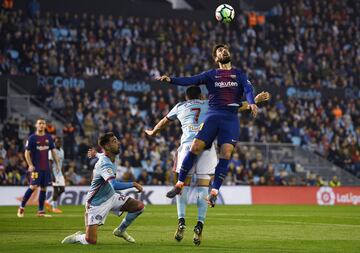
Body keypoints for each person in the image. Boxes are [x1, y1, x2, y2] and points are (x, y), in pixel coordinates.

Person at [145, 86, 270, 245]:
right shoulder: (211, 104)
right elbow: (236, 106)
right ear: (201, 95)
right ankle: (199, 226)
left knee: (182, 185)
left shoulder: (180, 106)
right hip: (207, 146)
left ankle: (181, 221)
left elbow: (163, 122)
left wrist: (153, 132)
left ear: (186, 97)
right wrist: (256, 100)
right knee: (203, 187)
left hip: (187, 147)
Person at [157, 43, 258, 206]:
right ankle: (179, 184)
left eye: (225, 49)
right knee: (195, 147)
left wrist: (252, 103)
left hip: (230, 118)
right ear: (216, 58)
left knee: (226, 153)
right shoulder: (211, 74)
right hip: (213, 115)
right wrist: (171, 80)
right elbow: (191, 80)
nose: (223, 51)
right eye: (219, 51)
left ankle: (213, 192)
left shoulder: (239, 74)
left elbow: (248, 89)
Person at [61, 132, 144, 245]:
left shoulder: (113, 155)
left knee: (139, 207)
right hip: (96, 203)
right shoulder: (104, 164)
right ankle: (77, 237)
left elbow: (102, 154)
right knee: (90, 241)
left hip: (111, 196)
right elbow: (114, 185)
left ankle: (120, 230)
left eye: (116, 140)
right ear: (107, 146)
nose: (118, 143)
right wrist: (133, 184)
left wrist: (95, 154)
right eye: (114, 141)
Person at [17, 118, 60, 217]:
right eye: (39, 123)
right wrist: (30, 165)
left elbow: (53, 151)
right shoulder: (32, 138)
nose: (41, 125)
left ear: (45, 126)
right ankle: (21, 207)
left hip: (46, 168)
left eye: (43, 123)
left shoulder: (48, 137)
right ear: (36, 125)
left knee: (44, 188)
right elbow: (26, 153)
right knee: (33, 187)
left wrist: (57, 164)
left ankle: (40, 211)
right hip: (36, 168)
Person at [45, 137, 65, 213]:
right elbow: (49, 163)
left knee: (62, 189)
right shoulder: (51, 151)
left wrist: (63, 174)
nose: (58, 143)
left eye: (59, 142)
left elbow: (62, 163)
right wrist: (52, 175)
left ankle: (48, 201)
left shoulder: (62, 151)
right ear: (54, 143)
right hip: (53, 172)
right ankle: (54, 207)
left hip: (59, 173)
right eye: (57, 142)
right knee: (56, 189)